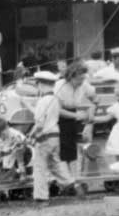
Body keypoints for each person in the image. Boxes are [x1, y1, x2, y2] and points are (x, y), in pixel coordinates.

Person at [27, 71, 81, 202]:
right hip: (55, 135)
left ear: (40, 84)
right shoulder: (55, 100)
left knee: (40, 167)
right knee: (56, 164)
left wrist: (30, 135)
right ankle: (72, 184)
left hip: (44, 137)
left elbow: (39, 124)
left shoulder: (42, 101)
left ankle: (41, 196)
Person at [54, 61, 95, 176]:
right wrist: (77, 116)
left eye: (83, 78)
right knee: (63, 150)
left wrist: (90, 118)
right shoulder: (59, 86)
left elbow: (95, 100)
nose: (81, 82)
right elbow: (57, 110)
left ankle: (75, 176)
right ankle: (65, 177)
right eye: (78, 79)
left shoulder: (84, 84)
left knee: (76, 149)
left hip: (74, 117)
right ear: (70, 77)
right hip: (59, 118)